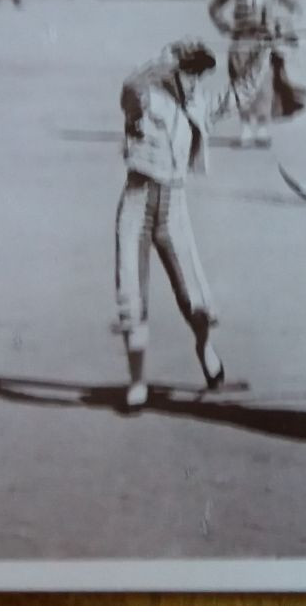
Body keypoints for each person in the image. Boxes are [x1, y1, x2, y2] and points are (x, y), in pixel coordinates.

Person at [115, 39, 233, 410]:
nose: (196, 81)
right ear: (172, 72)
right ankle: (137, 382)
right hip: (137, 203)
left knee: (193, 296)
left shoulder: (197, 105)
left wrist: (261, 55)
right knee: (131, 290)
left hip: (173, 207)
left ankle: (204, 349)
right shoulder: (146, 98)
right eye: (189, 73)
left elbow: (237, 96)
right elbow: (130, 86)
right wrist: (161, 60)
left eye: (200, 74)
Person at [207, 0, 306, 148]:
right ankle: (245, 127)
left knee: (264, 83)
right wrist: (225, 27)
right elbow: (214, 7)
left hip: (264, 40)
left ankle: (261, 128)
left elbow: (296, 8)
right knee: (240, 81)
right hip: (241, 39)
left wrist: (281, 25)